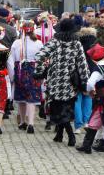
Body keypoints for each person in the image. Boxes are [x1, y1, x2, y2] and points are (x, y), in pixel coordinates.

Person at [34, 18, 90, 146]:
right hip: (71, 80)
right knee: (66, 107)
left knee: (57, 107)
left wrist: (42, 69)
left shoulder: (55, 42)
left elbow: (39, 55)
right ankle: (59, 135)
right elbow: (82, 64)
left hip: (55, 80)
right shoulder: (77, 43)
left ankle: (70, 135)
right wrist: (85, 81)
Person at [8, 21, 43, 133]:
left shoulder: (16, 43)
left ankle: (23, 121)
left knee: (21, 98)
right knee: (31, 97)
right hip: (34, 70)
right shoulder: (38, 43)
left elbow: (11, 59)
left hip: (20, 70)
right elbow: (42, 60)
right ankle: (31, 123)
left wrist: (12, 76)